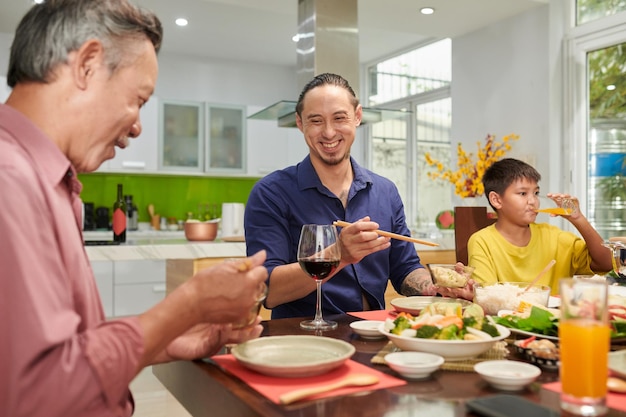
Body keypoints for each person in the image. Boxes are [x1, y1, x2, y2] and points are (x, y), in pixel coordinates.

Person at [0, 1, 267, 416]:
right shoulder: (9, 179)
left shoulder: (50, 182)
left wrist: (163, 339)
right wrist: (188, 304)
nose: (139, 126)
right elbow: (38, 394)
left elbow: (67, 353)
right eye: (138, 99)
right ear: (87, 64)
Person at [245, 73, 473, 319]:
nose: (329, 132)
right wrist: (338, 256)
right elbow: (268, 289)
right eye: (316, 121)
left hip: (375, 331)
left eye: (339, 118)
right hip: (303, 338)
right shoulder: (271, 193)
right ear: (300, 124)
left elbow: (405, 268)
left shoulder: (385, 191)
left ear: (357, 116)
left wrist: (433, 287)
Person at [467, 158, 613, 294]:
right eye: (523, 193)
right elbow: (486, 296)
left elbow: (606, 263)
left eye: (536, 193)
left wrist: (578, 219)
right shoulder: (482, 241)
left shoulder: (555, 238)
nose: (533, 201)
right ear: (496, 200)